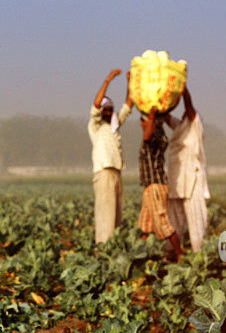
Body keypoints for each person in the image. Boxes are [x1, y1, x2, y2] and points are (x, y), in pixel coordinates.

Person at [88, 69, 133, 244]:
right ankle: (103, 250)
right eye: (105, 110)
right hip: (104, 172)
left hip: (116, 172)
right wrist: (108, 79)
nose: (108, 112)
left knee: (116, 214)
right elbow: (96, 104)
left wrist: (130, 81)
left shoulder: (114, 126)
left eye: (110, 110)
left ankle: (113, 248)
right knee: (105, 214)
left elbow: (128, 105)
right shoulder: (96, 126)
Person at [165, 87, 210, 253]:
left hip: (193, 177)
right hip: (177, 177)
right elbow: (167, 117)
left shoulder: (195, 126)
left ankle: (200, 251)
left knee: (196, 216)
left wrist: (184, 91)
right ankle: (172, 250)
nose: (185, 113)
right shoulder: (180, 127)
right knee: (174, 216)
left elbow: (190, 108)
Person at [137, 105, 182, 261]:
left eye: (143, 122)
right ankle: (141, 255)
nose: (141, 125)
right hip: (150, 186)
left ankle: (179, 254)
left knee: (162, 222)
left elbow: (147, 135)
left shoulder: (153, 137)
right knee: (145, 224)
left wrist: (151, 116)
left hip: (155, 186)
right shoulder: (160, 135)